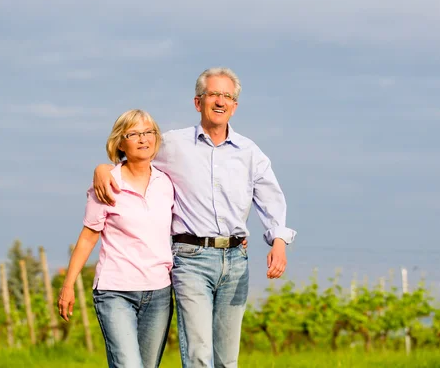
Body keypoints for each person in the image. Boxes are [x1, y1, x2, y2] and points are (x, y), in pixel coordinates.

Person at [93, 67, 296, 368]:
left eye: (227, 96)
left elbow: (271, 200)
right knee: (199, 355)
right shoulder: (173, 145)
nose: (219, 101)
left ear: (234, 106)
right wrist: (104, 168)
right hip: (191, 259)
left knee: (227, 359)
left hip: (236, 260)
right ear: (198, 102)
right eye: (212, 94)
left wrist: (278, 240)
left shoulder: (250, 152)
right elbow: (134, 154)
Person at [58, 109, 174, 368]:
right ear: (120, 142)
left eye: (148, 132)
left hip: (159, 292)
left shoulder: (167, 182)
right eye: (134, 134)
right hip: (115, 291)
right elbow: (88, 236)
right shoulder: (107, 183)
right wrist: (68, 284)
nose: (143, 139)